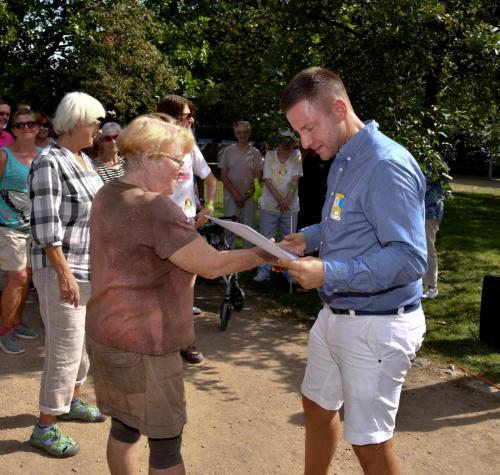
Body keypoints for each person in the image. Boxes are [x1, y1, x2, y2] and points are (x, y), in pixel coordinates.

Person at [86, 113, 274, 475]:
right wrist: (269, 252)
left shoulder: (109, 193)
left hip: (106, 336)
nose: (183, 171)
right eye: (177, 160)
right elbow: (213, 266)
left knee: (124, 427)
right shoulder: (156, 208)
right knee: (167, 447)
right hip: (146, 347)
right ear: (150, 156)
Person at [277, 67, 427, 475]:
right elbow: (343, 220)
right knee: (317, 404)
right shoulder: (344, 157)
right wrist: (308, 237)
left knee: (371, 445)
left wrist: (328, 273)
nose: (306, 144)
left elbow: (409, 258)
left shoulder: (385, 165)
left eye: (309, 129)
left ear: (339, 108)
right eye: (300, 134)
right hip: (338, 314)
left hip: (377, 325)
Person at [28, 92, 107, 458]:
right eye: (95, 122)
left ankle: (73, 402)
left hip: (88, 268)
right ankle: (45, 425)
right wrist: (64, 275)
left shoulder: (84, 161)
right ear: (76, 122)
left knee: (83, 344)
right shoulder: (49, 162)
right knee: (64, 347)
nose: (99, 129)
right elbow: (46, 227)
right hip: (63, 269)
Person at [157, 94, 217, 364]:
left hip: (187, 224)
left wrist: (209, 207)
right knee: (158, 284)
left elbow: (211, 179)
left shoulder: (190, 146)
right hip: (159, 224)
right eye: (184, 116)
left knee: (185, 286)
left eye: (190, 115)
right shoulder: (153, 146)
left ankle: (185, 342)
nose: (190, 120)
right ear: (168, 117)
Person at [0, 108, 42, 354]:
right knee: (18, 278)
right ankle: (5, 329)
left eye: (30, 124)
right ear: (12, 129)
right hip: (8, 228)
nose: (26, 128)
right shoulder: (4, 156)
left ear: (38, 127)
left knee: (27, 277)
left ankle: (15, 321)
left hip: (34, 228)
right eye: (20, 125)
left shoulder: (44, 155)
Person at [254, 130, 302, 282]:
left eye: (290, 141)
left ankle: (289, 272)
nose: (287, 144)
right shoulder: (269, 155)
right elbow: (267, 180)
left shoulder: (296, 155)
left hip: (291, 205)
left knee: (289, 239)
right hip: (270, 204)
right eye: (284, 140)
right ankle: (264, 271)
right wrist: (281, 200)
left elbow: (295, 179)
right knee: (267, 239)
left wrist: (287, 200)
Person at [219, 120, 263, 248]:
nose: (242, 135)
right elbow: (223, 176)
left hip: (248, 198)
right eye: (239, 132)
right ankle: (228, 257)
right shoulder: (227, 151)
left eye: (245, 132)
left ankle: (247, 258)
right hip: (230, 197)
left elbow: (258, 178)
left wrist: (245, 196)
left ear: (249, 133)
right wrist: (236, 196)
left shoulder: (255, 153)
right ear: (235, 133)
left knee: (248, 229)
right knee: (229, 228)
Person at [422, 176, 447, 299]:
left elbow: (444, 183)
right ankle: (419, 283)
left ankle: (432, 287)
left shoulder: (432, 162)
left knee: (428, 247)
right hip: (420, 210)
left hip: (430, 212)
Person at [297, 149, 332, 230]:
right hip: (304, 195)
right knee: (301, 224)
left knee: (316, 223)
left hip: (319, 196)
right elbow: (298, 168)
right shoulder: (304, 154)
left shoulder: (326, 155)